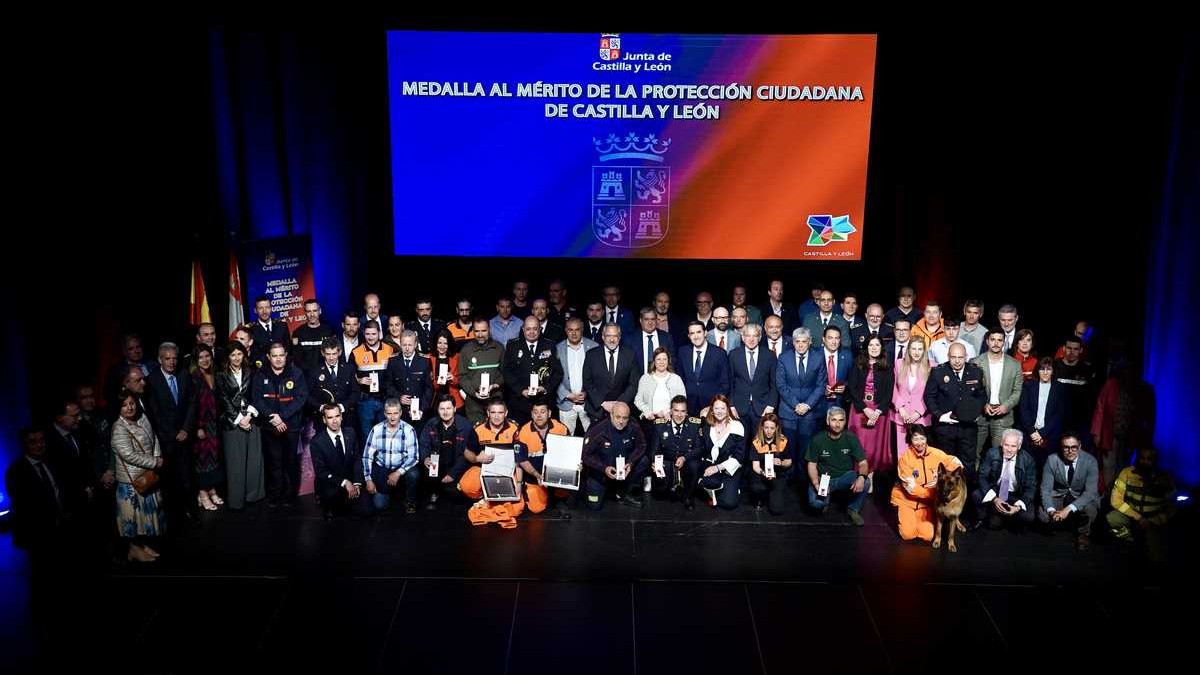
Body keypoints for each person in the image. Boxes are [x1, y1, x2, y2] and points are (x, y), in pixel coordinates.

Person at [5, 428, 80, 555]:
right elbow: (23, 506)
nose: (39, 445)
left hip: (63, 527)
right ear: (24, 445)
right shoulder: (17, 471)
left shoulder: (52, 461)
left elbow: (60, 489)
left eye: (41, 440)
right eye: (32, 442)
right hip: (38, 533)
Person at [144, 342, 197, 521]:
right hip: (166, 440)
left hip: (185, 436)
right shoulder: (151, 380)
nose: (172, 362)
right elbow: (154, 413)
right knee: (170, 481)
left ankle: (191, 511)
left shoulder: (184, 374)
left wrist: (185, 429)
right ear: (160, 359)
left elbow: (192, 403)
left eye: (175, 358)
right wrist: (173, 433)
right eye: (168, 359)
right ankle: (174, 516)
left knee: (188, 478)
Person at [110, 392, 166, 562]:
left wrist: (157, 456)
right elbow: (128, 454)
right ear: (119, 408)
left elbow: (154, 439)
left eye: (132, 403)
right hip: (131, 482)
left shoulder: (143, 418)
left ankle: (142, 545)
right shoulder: (119, 427)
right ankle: (133, 549)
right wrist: (154, 462)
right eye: (125, 405)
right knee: (133, 519)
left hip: (147, 476)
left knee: (146, 518)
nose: (130, 407)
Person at [252, 342, 308, 508]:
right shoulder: (260, 374)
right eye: (274, 356)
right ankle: (275, 495)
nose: (278, 359)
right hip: (270, 427)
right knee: (274, 462)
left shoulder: (296, 373)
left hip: (291, 426)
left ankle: (289, 496)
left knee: (290, 461)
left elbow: (301, 398)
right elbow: (257, 399)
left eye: (281, 355)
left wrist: (282, 417)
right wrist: (272, 417)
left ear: (286, 356)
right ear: (269, 357)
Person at [458, 398, 527, 528]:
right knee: (466, 485)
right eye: (493, 412)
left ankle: (490, 505)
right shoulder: (478, 429)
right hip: (484, 469)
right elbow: (467, 452)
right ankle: (485, 497)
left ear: (506, 413)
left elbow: (520, 459)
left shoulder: (515, 428)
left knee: (518, 507)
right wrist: (477, 459)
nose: (496, 416)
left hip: (508, 471)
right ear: (488, 413)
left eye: (500, 412)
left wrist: (519, 483)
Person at [1092, 360, 1156, 494]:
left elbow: (1149, 415)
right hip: (1110, 433)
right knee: (1108, 465)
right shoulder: (1111, 384)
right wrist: (1096, 432)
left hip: (1130, 435)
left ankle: (1120, 493)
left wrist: (1147, 437)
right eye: (1127, 371)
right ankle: (1108, 494)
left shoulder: (1144, 388)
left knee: (1125, 465)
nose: (1129, 374)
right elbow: (1100, 407)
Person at [891, 424, 963, 542]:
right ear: (910, 440)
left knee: (927, 536)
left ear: (926, 438)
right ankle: (904, 516)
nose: (919, 442)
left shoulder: (936, 453)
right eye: (915, 438)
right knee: (908, 534)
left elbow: (956, 462)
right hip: (907, 501)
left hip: (926, 504)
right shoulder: (905, 459)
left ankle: (916, 520)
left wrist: (942, 477)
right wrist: (934, 493)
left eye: (922, 438)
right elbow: (911, 488)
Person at [924, 343, 987, 479]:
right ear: (948, 357)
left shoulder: (976, 371)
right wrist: (939, 415)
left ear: (966, 357)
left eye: (960, 357)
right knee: (945, 465)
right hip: (945, 429)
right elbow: (929, 396)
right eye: (953, 357)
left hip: (968, 428)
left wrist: (976, 412)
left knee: (968, 465)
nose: (957, 361)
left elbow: (981, 395)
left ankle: (966, 497)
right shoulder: (938, 372)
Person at [214, 342, 264, 511]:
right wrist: (238, 418)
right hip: (231, 422)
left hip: (252, 418)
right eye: (233, 355)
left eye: (239, 354)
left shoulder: (251, 370)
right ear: (228, 356)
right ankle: (237, 499)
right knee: (235, 463)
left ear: (244, 355)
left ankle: (253, 495)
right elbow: (223, 399)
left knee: (254, 460)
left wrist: (249, 415)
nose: (236, 358)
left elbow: (256, 394)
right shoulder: (220, 374)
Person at [1107, 447, 1176, 561]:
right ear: (1137, 459)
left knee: (1156, 557)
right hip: (1132, 516)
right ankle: (1128, 540)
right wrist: (1139, 518)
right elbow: (1116, 501)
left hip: (1153, 521)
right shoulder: (1127, 473)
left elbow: (1172, 507)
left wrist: (1155, 521)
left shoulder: (1164, 478)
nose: (1145, 462)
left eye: (1149, 459)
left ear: (1155, 460)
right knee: (1112, 518)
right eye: (1142, 458)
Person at [805, 407, 870, 525]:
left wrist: (861, 477)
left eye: (841, 420)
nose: (837, 424)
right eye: (834, 420)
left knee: (866, 482)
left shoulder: (851, 438)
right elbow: (811, 464)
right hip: (823, 478)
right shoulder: (818, 439)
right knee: (816, 504)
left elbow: (863, 463)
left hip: (844, 477)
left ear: (845, 422)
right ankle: (825, 500)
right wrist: (816, 483)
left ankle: (853, 509)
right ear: (827, 421)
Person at [847, 334, 893, 490]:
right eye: (871, 345)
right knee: (860, 445)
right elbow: (852, 389)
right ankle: (860, 477)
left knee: (873, 448)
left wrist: (877, 411)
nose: (874, 348)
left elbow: (889, 393)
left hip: (878, 411)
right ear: (866, 347)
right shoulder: (858, 364)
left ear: (881, 348)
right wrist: (865, 409)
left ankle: (870, 478)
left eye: (877, 345)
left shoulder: (887, 367)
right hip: (860, 409)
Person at [1038, 434, 1099, 550]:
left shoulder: (1090, 461)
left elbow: (1090, 492)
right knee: (1043, 515)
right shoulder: (1052, 459)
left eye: (1074, 447)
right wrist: (1051, 511)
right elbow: (1045, 489)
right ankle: (1056, 523)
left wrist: (1067, 510)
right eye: (1066, 447)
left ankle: (1083, 533)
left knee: (1090, 510)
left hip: (1080, 496)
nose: (1070, 451)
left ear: (1080, 447)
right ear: (1061, 447)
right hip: (1059, 495)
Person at [582, 401, 647, 509]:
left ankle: (626, 491)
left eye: (625, 418)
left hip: (624, 469)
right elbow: (585, 455)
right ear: (611, 415)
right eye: (618, 417)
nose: (621, 421)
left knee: (643, 460)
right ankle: (603, 489)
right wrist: (604, 468)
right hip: (602, 472)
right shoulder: (598, 429)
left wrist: (631, 462)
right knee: (594, 505)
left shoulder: (633, 425)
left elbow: (642, 445)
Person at [361, 398, 421, 514]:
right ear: (384, 413)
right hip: (382, 469)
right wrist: (368, 479)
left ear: (400, 413)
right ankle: (391, 492)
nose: (392, 417)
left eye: (395, 413)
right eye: (389, 413)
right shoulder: (376, 429)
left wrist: (399, 472)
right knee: (380, 505)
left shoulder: (409, 430)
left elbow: (414, 457)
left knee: (414, 474)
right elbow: (367, 456)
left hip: (401, 468)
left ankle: (410, 501)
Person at [309, 404, 369, 519]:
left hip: (352, 483)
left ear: (342, 417)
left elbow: (357, 459)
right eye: (330, 417)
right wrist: (344, 482)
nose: (334, 421)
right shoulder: (317, 442)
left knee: (367, 510)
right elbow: (321, 471)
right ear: (324, 420)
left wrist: (357, 483)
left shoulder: (351, 433)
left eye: (337, 416)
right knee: (335, 515)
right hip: (332, 485)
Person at [775, 327, 826, 461]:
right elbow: (781, 385)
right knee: (788, 451)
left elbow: (821, 386)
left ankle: (804, 480)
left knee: (806, 451)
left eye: (804, 341)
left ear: (810, 341)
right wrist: (796, 404)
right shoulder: (783, 358)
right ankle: (788, 479)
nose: (801, 345)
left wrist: (807, 405)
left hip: (809, 412)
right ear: (793, 342)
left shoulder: (818, 358)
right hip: (788, 411)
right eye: (798, 341)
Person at [501, 316, 563, 425]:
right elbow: (506, 372)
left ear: (540, 330)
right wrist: (521, 390)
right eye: (528, 329)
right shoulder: (513, 346)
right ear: (523, 329)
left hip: (543, 402)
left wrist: (545, 388)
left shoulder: (550, 345)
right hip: (519, 402)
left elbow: (558, 373)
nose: (531, 332)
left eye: (535, 329)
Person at [971, 429, 1036, 531]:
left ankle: (1011, 518)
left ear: (1019, 447)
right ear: (1001, 443)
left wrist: (1017, 507)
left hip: (1016, 494)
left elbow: (1031, 487)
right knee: (977, 495)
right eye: (1006, 445)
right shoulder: (992, 453)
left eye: (1013, 446)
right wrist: (994, 499)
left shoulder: (1028, 460)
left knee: (1028, 517)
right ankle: (981, 518)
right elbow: (982, 477)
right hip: (997, 491)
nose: (1009, 449)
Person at [515, 398, 571, 515]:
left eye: (542, 411)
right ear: (531, 414)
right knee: (536, 508)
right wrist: (537, 475)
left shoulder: (561, 428)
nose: (539, 415)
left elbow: (569, 454)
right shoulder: (522, 432)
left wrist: (575, 465)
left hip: (556, 473)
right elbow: (522, 460)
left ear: (549, 413)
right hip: (534, 475)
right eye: (535, 412)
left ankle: (558, 494)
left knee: (568, 497)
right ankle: (533, 492)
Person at [973, 328, 1024, 455]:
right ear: (987, 341)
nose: (996, 343)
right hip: (980, 415)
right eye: (993, 340)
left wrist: (1006, 406)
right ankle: (973, 476)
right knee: (974, 454)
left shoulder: (1015, 365)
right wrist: (983, 405)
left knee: (1000, 455)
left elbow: (1017, 391)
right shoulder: (975, 362)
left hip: (1003, 416)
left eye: (999, 340)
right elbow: (972, 391)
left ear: (1004, 342)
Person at [649, 396, 705, 509]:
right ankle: (668, 486)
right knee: (661, 493)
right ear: (670, 411)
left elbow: (699, 449)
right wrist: (655, 463)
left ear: (687, 412)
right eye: (676, 410)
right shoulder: (659, 425)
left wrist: (685, 457)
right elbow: (654, 450)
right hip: (668, 461)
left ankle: (689, 496)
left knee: (694, 465)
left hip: (686, 461)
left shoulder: (695, 424)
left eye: (683, 411)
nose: (679, 415)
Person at [418, 394, 471, 509]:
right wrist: (425, 458)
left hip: (456, 465)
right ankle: (434, 491)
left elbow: (468, 454)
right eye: (442, 409)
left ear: (455, 409)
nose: (445, 412)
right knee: (427, 475)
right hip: (437, 463)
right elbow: (424, 443)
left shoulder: (465, 426)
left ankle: (448, 489)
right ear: (438, 410)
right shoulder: (431, 424)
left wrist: (453, 473)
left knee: (454, 494)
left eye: (448, 408)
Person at [728, 323, 778, 442]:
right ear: (743, 337)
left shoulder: (770, 356)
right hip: (739, 408)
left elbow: (774, 383)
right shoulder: (733, 355)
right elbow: (730, 382)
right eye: (748, 336)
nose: (751, 339)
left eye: (755, 336)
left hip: (762, 407)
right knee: (740, 443)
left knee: (760, 442)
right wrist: (731, 405)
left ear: (760, 337)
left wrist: (771, 405)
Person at [188, 344, 223, 511]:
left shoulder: (213, 374)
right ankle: (202, 493)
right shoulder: (194, 377)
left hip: (213, 424)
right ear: (196, 360)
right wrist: (198, 427)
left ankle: (211, 489)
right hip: (201, 425)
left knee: (212, 459)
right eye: (201, 357)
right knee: (202, 461)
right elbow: (193, 406)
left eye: (207, 356)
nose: (205, 360)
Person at [583, 323, 639, 423]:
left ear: (620, 337)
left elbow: (634, 384)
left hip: (622, 411)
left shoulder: (630, 355)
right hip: (597, 411)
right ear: (603, 337)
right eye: (609, 336)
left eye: (615, 336)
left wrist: (618, 404)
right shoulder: (591, 355)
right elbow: (587, 382)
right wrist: (603, 403)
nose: (612, 340)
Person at [696, 396, 744, 509]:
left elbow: (740, 456)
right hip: (709, 464)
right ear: (711, 410)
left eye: (723, 408)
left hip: (728, 467)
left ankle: (728, 489)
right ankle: (713, 490)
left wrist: (717, 468)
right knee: (705, 483)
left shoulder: (737, 427)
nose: (720, 411)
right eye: (716, 408)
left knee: (729, 503)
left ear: (728, 409)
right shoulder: (706, 426)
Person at [1017, 357, 1066, 468]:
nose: (1044, 372)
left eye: (1048, 369)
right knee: (1026, 467)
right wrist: (1032, 432)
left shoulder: (1059, 388)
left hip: (1050, 435)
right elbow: (1024, 410)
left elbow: (1058, 415)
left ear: (1053, 371)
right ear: (1037, 370)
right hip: (1029, 433)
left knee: (1046, 468)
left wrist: (1041, 433)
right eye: (1041, 369)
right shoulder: (1028, 386)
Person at [351, 320, 395, 439]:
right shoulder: (356, 352)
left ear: (379, 333)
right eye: (367, 334)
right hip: (365, 401)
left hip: (385, 399)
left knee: (386, 434)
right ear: (363, 334)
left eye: (373, 334)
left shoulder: (390, 350)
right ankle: (369, 458)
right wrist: (359, 381)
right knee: (367, 435)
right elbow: (349, 377)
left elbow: (396, 374)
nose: (370, 337)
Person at [677, 320, 730, 416]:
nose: (696, 336)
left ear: (705, 333)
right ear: (689, 336)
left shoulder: (719, 353)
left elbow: (724, 383)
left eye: (699, 332)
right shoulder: (682, 352)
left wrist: (714, 405)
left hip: (711, 407)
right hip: (688, 406)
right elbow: (680, 379)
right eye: (692, 333)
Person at [891, 337, 932, 461]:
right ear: (908, 350)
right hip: (901, 418)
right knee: (902, 456)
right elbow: (892, 388)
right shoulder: (899, 364)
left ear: (924, 351)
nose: (916, 352)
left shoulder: (931, 367)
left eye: (920, 349)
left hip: (921, 419)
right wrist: (901, 408)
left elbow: (931, 393)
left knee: (919, 455)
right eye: (913, 348)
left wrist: (918, 412)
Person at [459, 318, 506, 424]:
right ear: (473, 331)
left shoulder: (499, 348)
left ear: (490, 330)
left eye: (483, 331)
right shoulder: (466, 350)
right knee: (476, 434)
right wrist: (474, 392)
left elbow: (505, 373)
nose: (480, 334)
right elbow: (462, 377)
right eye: (477, 331)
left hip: (495, 401)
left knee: (496, 431)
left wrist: (496, 385)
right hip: (474, 403)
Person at [556, 317, 597, 435]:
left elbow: (598, 376)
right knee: (566, 440)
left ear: (583, 329)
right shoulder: (558, 349)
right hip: (566, 403)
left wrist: (587, 392)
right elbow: (553, 376)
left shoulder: (594, 346)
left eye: (577, 329)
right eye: (570, 330)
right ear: (565, 330)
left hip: (589, 402)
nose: (574, 333)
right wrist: (567, 395)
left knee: (593, 439)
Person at [307, 338, 359, 427]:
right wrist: (321, 407)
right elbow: (308, 395)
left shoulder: (349, 369)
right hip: (323, 420)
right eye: (328, 354)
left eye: (334, 354)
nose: (331, 358)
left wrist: (343, 406)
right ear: (322, 353)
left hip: (346, 418)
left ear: (339, 352)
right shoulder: (314, 371)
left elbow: (355, 392)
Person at [1054, 335, 1098, 439]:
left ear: (1081, 350)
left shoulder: (1087, 370)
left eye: (1075, 349)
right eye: (1069, 348)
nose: (1072, 352)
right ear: (1064, 348)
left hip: (1078, 423)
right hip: (1056, 420)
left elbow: (1091, 399)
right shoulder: (1054, 366)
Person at [384, 331, 432, 426]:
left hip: (419, 411)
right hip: (399, 412)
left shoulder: (425, 361)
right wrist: (399, 396)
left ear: (415, 345)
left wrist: (422, 409)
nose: (407, 348)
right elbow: (387, 385)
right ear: (400, 344)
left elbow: (429, 389)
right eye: (404, 345)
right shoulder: (393, 361)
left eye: (410, 345)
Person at [747, 413, 790, 515]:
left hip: (778, 474)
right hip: (761, 474)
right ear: (762, 427)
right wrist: (764, 473)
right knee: (757, 487)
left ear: (776, 428)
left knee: (777, 510)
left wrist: (782, 462)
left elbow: (789, 462)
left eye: (772, 428)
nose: (769, 431)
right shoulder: (756, 442)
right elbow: (755, 467)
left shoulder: (783, 441)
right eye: (766, 427)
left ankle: (773, 494)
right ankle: (760, 497)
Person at [635, 347, 687, 422]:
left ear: (668, 361)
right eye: (658, 359)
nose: (661, 362)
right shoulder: (645, 378)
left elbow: (682, 400)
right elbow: (638, 400)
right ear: (654, 361)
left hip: (671, 420)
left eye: (664, 359)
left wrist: (669, 412)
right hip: (650, 420)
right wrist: (647, 412)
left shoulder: (676, 379)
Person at [817, 325, 854, 420]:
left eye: (837, 338)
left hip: (840, 403)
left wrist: (845, 386)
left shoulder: (847, 355)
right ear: (823, 339)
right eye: (830, 338)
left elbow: (853, 378)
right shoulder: (814, 355)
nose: (834, 342)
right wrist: (822, 390)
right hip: (818, 404)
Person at [291, 298, 336, 373]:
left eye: (315, 311)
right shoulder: (298, 333)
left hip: (327, 374)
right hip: (306, 376)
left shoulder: (329, 331)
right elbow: (297, 360)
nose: (312, 314)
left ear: (320, 311)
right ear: (305, 313)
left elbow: (334, 354)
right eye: (309, 311)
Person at [628, 307, 675, 376]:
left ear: (656, 320)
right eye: (646, 319)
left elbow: (672, 360)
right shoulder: (631, 339)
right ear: (641, 320)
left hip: (662, 381)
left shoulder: (666, 338)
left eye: (652, 319)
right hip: (638, 382)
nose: (650, 322)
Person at [249, 295, 291, 367]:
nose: (264, 311)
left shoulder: (282, 326)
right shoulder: (250, 330)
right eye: (260, 308)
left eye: (267, 307)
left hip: (283, 368)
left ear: (271, 308)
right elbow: (252, 355)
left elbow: (288, 349)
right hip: (261, 369)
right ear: (255, 310)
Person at [428, 329, 464, 412]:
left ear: (449, 344)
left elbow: (464, 379)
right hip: (435, 401)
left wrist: (453, 378)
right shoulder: (429, 357)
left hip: (454, 399)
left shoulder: (457, 357)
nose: (442, 346)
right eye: (439, 343)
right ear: (435, 343)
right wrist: (430, 378)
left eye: (445, 343)